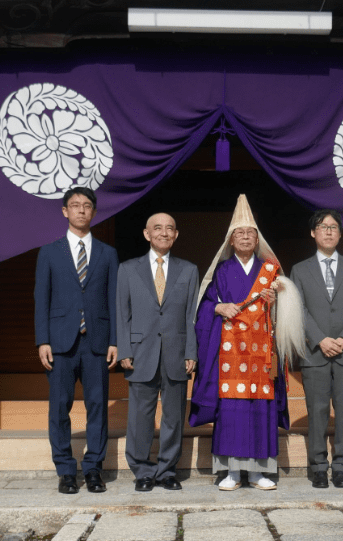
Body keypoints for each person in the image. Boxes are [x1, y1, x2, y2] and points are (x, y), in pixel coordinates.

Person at [190, 194, 305, 491]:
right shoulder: (221, 271)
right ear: (230, 240)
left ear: (257, 239)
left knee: (260, 409)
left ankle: (257, 473)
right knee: (231, 410)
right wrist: (218, 308)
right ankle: (230, 471)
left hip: (262, 352)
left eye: (250, 233)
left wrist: (276, 299)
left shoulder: (270, 271)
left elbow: (288, 316)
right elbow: (202, 306)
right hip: (229, 353)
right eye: (238, 233)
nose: (244, 237)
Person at [34, 187, 118, 494]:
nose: (81, 210)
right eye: (75, 205)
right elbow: (41, 299)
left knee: (97, 407)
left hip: (97, 340)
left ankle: (94, 469)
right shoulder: (49, 252)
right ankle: (66, 471)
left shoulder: (108, 254)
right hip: (59, 342)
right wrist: (42, 340)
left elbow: (113, 299)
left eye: (86, 206)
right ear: (65, 211)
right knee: (59, 408)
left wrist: (115, 340)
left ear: (94, 212)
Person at [116, 213, 199, 492]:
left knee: (174, 415)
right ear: (146, 234)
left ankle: (166, 471)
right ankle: (142, 470)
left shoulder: (189, 270)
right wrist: (125, 348)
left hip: (177, 352)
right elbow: (122, 314)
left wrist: (191, 351)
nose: (164, 233)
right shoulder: (128, 269)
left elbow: (191, 316)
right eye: (157, 228)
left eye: (169, 229)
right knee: (140, 417)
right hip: (140, 352)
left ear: (176, 235)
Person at [290, 209, 343, 489]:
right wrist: (320, 339)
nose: (328, 231)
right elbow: (298, 309)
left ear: (340, 233)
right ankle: (319, 468)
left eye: (334, 227)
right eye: (323, 227)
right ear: (313, 233)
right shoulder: (300, 270)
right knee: (318, 413)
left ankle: (341, 468)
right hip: (316, 354)